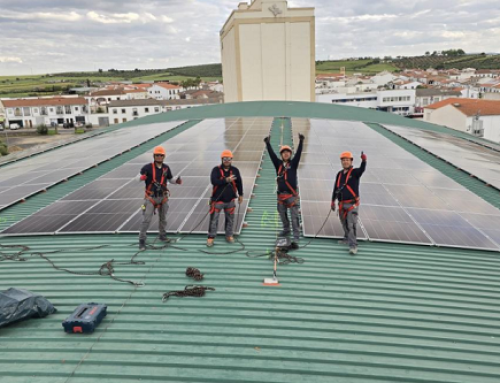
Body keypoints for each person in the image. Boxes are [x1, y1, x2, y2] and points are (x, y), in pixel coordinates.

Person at [264, 133, 304, 249]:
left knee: (294, 216)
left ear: (290, 154)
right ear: (281, 155)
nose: (286, 153)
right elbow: (271, 155)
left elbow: (299, 153)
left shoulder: (293, 164)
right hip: (281, 196)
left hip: (292, 196)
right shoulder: (278, 165)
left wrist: (301, 141)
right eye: (283, 152)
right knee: (282, 214)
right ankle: (286, 229)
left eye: (288, 152)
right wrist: (267, 143)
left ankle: (296, 235)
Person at [138, 146, 182, 250]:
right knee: (146, 220)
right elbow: (137, 179)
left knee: (163, 219)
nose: (159, 157)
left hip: (163, 197)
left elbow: (170, 179)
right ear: (154, 156)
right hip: (151, 198)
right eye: (157, 155)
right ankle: (142, 240)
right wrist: (141, 177)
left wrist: (176, 181)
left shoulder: (166, 168)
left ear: (164, 157)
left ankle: (162, 236)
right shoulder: (147, 168)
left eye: (161, 155)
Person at [331, 151, 367, 255]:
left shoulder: (355, 172)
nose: (345, 162)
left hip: (352, 204)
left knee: (351, 225)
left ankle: (353, 245)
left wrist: (364, 161)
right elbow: (335, 188)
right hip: (341, 204)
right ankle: (347, 238)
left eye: (347, 160)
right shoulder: (339, 174)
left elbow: (362, 170)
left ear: (351, 161)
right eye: (343, 160)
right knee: (344, 223)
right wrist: (332, 201)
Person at [207, 150, 244, 247]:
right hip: (217, 200)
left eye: (228, 159)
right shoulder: (216, 170)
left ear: (231, 159)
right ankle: (211, 237)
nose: (227, 160)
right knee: (214, 219)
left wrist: (241, 194)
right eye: (225, 159)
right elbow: (214, 181)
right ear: (222, 159)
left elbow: (239, 182)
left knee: (230, 219)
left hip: (230, 200)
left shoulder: (235, 171)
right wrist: (226, 180)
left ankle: (229, 235)